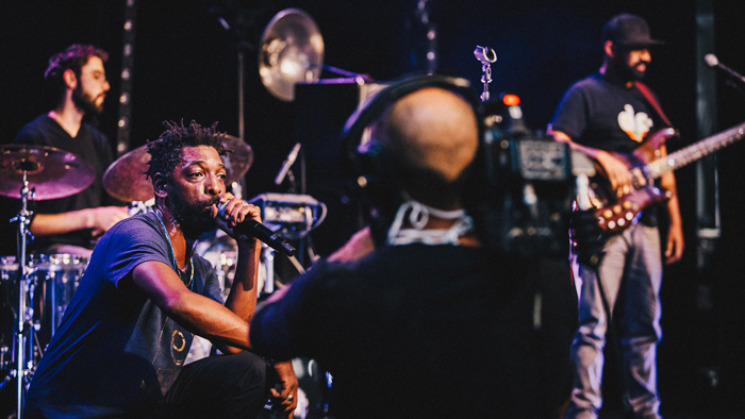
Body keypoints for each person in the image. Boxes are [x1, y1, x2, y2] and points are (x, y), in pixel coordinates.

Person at [249, 76, 579, 418]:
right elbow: (556, 397)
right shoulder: (539, 271)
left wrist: (359, 246)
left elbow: (264, 331)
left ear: (376, 177)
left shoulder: (344, 286)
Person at [24, 120, 298, 418]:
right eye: (197, 175)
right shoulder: (134, 233)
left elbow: (233, 343)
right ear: (161, 186)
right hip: (75, 408)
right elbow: (178, 301)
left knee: (247, 370)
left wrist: (249, 247)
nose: (216, 187)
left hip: (138, 405)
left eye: (221, 176)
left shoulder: (200, 269)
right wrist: (273, 350)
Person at [548, 14, 685, 418]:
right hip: (601, 223)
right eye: (635, 49)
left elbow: (662, 162)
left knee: (646, 323)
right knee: (592, 322)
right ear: (611, 48)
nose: (644, 57)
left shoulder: (648, 97)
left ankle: (646, 410)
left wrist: (675, 219)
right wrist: (601, 156)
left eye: (646, 49)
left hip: (648, 224)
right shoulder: (585, 93)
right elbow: (557, 140)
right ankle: (585, 410)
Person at [12, 44, 130, 257]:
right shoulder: (35, 137)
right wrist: (92, 218)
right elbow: (28, 222)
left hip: (93, 249)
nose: (106, 86)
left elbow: (112, 206)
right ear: (71, 79)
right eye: (96, 77)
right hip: (51, 256)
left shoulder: (98, 141)